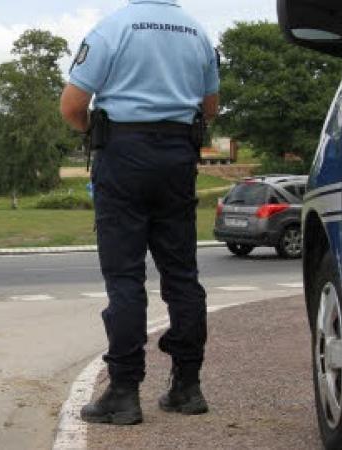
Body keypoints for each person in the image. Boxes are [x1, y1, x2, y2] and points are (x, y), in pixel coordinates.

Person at [60, 0, 220, 425]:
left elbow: (72, 107)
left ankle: (124, 392)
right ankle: (187, 385)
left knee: (125, 278)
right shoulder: (197, 33)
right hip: (177, 156)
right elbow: (210, 107)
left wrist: (100, 133)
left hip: (123, 155)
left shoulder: (112, 29)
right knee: (182, 274)